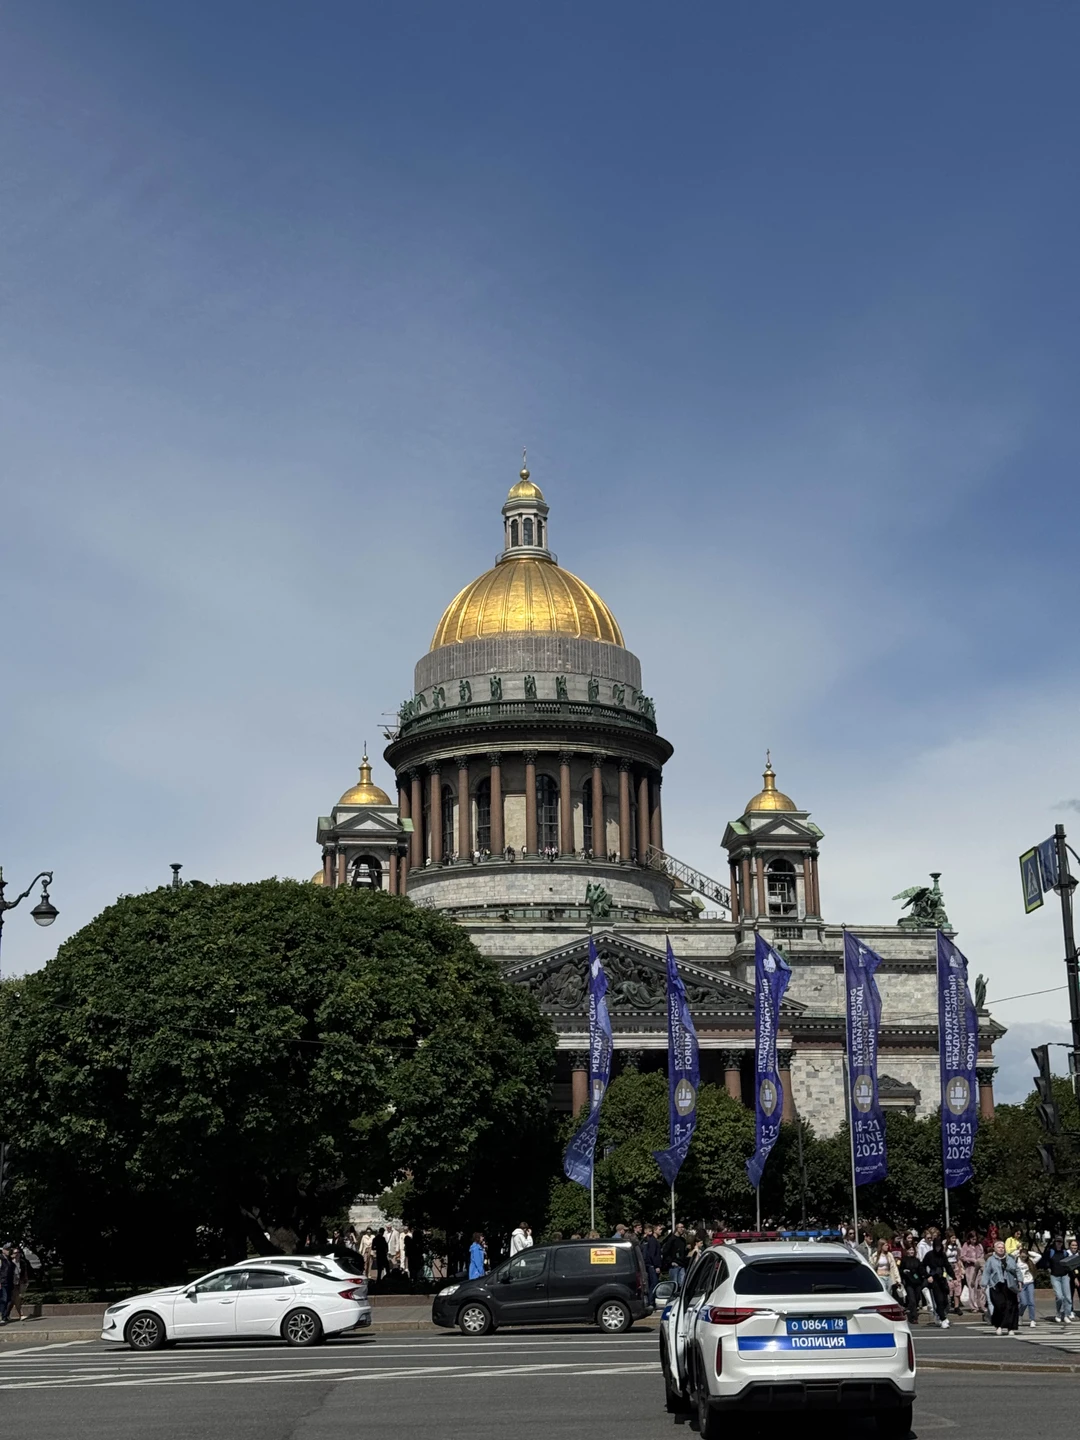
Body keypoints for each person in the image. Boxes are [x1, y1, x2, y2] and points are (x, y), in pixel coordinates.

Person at [982, 1240, 1020, 1336]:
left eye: (1002, 1247)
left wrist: (1020, 1281)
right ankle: (998, 1325)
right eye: (998, 1247)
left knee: (1010, 1306)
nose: (1001, 1249)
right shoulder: (991, 1260)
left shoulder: (1010, 1258)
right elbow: (986, 1272)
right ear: (994, 1249)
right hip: (996, 1285)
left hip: (1009, 1285)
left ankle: (1010, 1328)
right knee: (1000, 1305)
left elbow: (1017, 1270)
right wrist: (984, 1284)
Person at [1044, 1234, 1074, 1324]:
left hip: (1064, 1276)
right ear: (1055, 1242)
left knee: (1068, 1298)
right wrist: (1049, 1269)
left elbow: (1070, 1264)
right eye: (1057, 1241)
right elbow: (1046, 1262)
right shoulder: (1051, 1252)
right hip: (1055, 1276)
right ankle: (1058, 1314)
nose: (1059, 1243)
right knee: (1059, 1297)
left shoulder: (1065, 1253)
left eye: (1060, 1242)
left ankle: (1066, 1315)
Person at [923, 1238, 951, 1328]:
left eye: (939, 1246)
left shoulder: (943, 1255)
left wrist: (953, 1276)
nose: (938, 1248)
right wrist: (928, 1276)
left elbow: (947, 1266)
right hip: (934, 1280)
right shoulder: (929, 1255)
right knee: (938, 1300)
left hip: (942, 1279)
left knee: (946, 1300)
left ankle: (942, 1315)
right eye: (936, 1246)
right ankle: (942, 1319)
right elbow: (922, 1266)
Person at [899, 1244, 924, 1328]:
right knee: (912, 1299)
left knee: (917, 1298)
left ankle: (912, 1309)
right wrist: (904, 1271)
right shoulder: (904, 1260)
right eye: (909, 1250)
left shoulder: (917, 1260)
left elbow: (921, 1270)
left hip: (917, 1282)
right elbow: (900, 1270)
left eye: (912, 1250)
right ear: (907, 1251)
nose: (911, 1252)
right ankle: (914, 1317)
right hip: (909, 1282)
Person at [960, 1231, 985, 1313]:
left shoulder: (979, 1246)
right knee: (972, 1286)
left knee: (981, 1287)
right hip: (970, 1268)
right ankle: (973, 1306)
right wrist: (971, 1260)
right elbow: (962, 1256)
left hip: (980, 1268)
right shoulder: (966, 1245)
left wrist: (980, 1261)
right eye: (972, 1239)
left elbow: (982, 1255)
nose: (974, 1240)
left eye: (975, 1239)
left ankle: (981, 1305)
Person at [1016, 1246, 1037, 1329]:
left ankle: (1032, 1320)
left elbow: (1039, 1256)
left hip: (1030, 1283)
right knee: (1023, 1302)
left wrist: (1029, 1252)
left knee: (1031, 1302)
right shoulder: (1016, 1261)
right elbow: (1010, 1255)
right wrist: (1018, 1251)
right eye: (1022, 1255)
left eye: (1025, 1255)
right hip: (1020, 1284)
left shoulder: (1030, 1261)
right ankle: (1020, 1315)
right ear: (1020, 1254)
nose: (1024, 1257)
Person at [662, 1223, 688, 1289]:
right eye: (681, 1227)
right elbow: (665, 1252)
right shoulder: (671, 1239)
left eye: (683, 1227)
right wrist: (670, 1262)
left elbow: (683, 1253)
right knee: (674, 1284)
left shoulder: (683, 1240)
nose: (682, 1229)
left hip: (681, 1265)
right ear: (677, 1228)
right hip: (674, 1265)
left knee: (682, 1283)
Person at [642, 1225, 662, 1301]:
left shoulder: (652, 1240)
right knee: (654, 1283)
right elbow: (652, 1254)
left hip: (652, 1265)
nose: (661, 1231)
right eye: (659, 1229)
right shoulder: (653, 1241)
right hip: (652, 1266)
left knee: (653, 1283)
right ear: (655, 1230)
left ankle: (651, 1300)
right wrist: (656, 1265)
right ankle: (651, 1301)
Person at [0, 1245, 14, 1325]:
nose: (9, 1251)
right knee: (3, 1299)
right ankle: (3, 1316)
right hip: (3, 1281)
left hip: (9, 1281)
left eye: (9, 1249)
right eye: (7, 1249)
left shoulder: (8, 1259)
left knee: (9, 1299)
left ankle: (6, 1315)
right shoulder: (1, 1259)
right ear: (3, 1250)